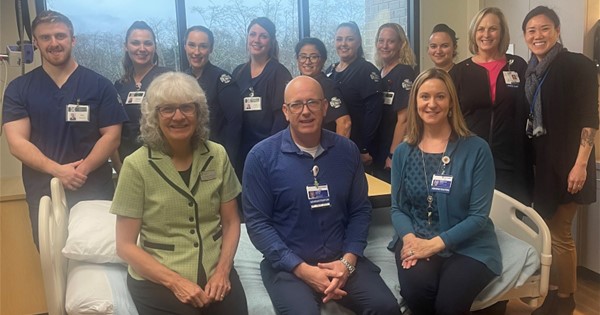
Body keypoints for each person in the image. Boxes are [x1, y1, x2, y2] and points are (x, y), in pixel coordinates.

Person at [242, 76, 400, 315]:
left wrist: (348, 262)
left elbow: (360, 211)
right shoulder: (261, 157)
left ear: (325, 107)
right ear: (286, 111)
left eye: (312, 103)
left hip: (342, 260)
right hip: (288, 266)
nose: (305, 111)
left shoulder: (347, 152)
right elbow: (257, 224)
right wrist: (302, 269)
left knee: (385, 307)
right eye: (296, 105)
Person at [110, 72, 248, 315]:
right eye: (167, 109)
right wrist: (176, 283)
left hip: (216, 271)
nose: (178, 116)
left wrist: (223, 272)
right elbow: (125, 246)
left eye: (187, 107)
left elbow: (231, 221)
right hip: (158, 279)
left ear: (198, 112)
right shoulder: (136, 165)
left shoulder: (217, 155)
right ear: (154, 116)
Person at [2, 10, 127, 248]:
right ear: (36, 43)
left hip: (92, 187)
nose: (54, 43)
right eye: (46, 37)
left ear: (72, 39)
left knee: (97, 257)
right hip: (44, 191)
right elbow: (16, 142)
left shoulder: (100, 85)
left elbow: (112, 137)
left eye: (60, 36)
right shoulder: (19, 89)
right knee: (52, 261)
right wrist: (59, 171)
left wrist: (80, 172)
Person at [390, 68, 501, 315]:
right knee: (417, 293)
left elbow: (478, 217)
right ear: (415, 102)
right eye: (424, 97)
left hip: (469, 244)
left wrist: (434, 245)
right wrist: (410, 240)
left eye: (440, 96)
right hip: (417, 236)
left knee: (448, 305)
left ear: (451, 103)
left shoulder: (476, 149)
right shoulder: (403, 152)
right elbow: (398, 208)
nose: (432, 104)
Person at [522, 6, 599, 315]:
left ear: (556, 31)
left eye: (544, 29)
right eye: (531, 30)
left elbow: (589, 118)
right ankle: (553, 293)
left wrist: (581, 164)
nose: (537, 35)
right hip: (544, 165)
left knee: (561, 233)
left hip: (570, 164)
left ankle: (566, 299)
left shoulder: (576, 64)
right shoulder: (532, 70)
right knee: (549, 233)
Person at [451, 7, 532, 205]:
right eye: (481, 29)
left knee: (513, 224)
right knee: (473, 217)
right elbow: (450, 117)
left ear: (502, 32)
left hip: (512, 161)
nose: (486, 34)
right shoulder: (459, 72)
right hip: (470, 159)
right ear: (473, 33)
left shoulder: (519, 66)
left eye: (492, 29)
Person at [232, 17, 292, 173]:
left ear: (271, 42)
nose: (256, 40)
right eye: (252, 34)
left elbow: (282, 119)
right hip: (241, 150)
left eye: (263, 36)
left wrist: (270, 152)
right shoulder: (238, 72)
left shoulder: (280, 73)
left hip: (268, 151)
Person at [112, 21, 170, 172]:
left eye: (148, 43)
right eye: (135, 43)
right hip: (128, 163)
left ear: (154, 47)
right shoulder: (119, 85)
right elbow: (113, 129)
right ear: (126, 46)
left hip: (164, 161)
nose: (142, 49)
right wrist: (118, 165)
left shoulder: (168, 78)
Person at [325, 21, 383, 169]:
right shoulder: (330, 71)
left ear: (358, 42)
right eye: (339, 39)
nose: (343, 44)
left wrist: (364, 148)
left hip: (357, 149)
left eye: (349, 39)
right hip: (331, 146)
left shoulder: (367, 71)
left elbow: (374, 114)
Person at [184, 25, 242, 164]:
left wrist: (228, 160)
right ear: (185, 46)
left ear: (211, 48)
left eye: (203, 46)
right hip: (186, 154)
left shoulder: (222, 80)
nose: (196, 52)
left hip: (214, 155)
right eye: (192, 45)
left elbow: (235, 124)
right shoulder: (181, 79)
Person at [373, 23, 416, 182]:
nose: (384, 45)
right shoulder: (380, 72)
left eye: (390, 41)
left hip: (393, 151)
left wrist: (393, 155)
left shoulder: (404, 72)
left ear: (400, 44)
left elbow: (404, 119)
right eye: (381, 40)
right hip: (380, 148)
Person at [294, 37, 351, 137]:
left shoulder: (327, 86)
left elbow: (345, 123)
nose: (307, 62)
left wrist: (338, 151)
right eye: (303, 56)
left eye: (313, 57)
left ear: (323, 60)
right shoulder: (297, 85)